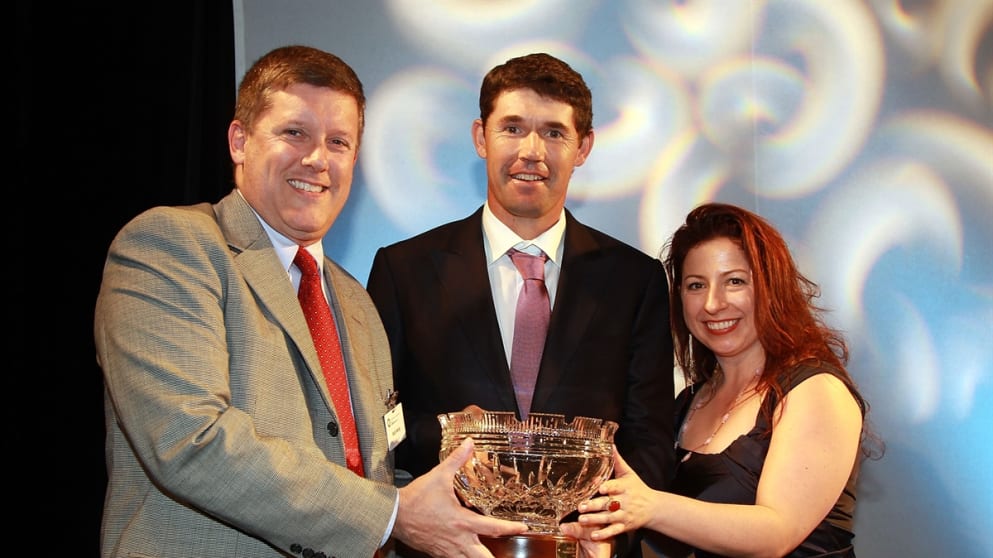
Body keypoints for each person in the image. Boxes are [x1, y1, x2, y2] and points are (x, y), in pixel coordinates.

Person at [94, 45, 528, 558]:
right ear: (239, 140)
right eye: (294, 132)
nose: (318, 159)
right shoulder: (173, 247)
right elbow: (191, 440)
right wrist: (393, 516)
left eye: (338, 142)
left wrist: (460, 492)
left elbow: (370, 470)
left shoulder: (355, 302)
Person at [365, 52, 675, 557]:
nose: (532, 151)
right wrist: (448, 436)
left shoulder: (634, 279)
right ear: (480, 137)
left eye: (554, 133)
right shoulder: (404, 270)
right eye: (512, 128)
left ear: (584, 147)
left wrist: (608, 534)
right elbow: (378, 416)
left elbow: (650, 437)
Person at [561, 202, 884, 558]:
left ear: (771, 288)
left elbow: (777, 533)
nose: (713, 304)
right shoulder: (690, 401)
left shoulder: (815, 390)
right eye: (696, 285)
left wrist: (650, 507)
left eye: (734, 282)